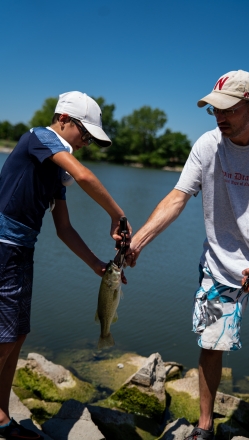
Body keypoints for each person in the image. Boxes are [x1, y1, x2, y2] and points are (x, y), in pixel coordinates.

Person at [126, 70, 249, 440]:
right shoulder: (207, 145)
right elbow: (177, 197)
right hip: (220, 262)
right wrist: (136, 242)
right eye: (213, 109)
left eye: (227, 109)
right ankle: (204, 425)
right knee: (210, 345)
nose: (218, 117)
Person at [0, 91, 131, 439]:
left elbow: (64, 228)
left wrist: (97, 266)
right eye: (85, 133)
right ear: (63, 120)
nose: (86, 142)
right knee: (3, 337)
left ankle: (1, 419)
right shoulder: (39, 138)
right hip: (3, 246)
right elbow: (86, 176)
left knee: (18, 334)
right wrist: (117, 215)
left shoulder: (56, 173)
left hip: (21, 251)